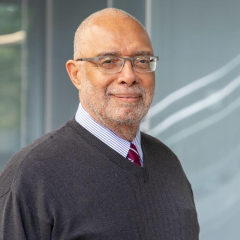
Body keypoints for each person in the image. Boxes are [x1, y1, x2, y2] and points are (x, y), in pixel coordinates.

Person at [0, 8, 199, 240]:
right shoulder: (31, 176)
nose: (129, 75)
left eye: (142, 61)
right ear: (76, 74)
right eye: (109, 61)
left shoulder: (168, 164)